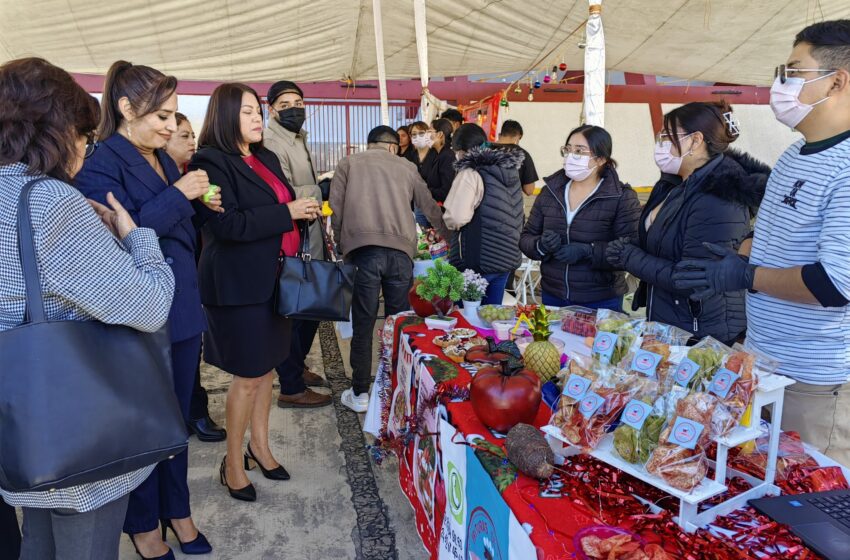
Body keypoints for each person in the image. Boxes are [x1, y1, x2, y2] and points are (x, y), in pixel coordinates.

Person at [0, 57, 174, 560]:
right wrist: (134, 237)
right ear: (55, 129)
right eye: (82, 134)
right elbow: (148, 305)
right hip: (77, 437)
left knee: (37, 541)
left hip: (22, 428)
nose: (83, 147)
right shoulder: (51, 202)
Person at [672, 20, 850, 464]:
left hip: (812, 382)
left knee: (803, 504)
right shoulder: (793, 156)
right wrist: (730, 263)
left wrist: (746, 275)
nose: (779, 85)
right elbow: (766, 232)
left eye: (793, 72)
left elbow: (834, 284)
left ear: (838, 80)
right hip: (761, 360)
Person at [75, 60, 216, 559]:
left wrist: (200, 202)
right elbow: (112, 236)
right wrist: (179, 196)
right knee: (144, 423)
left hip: (179, 304)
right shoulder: (101, 165)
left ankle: (177, 509)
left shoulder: (164, 158)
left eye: (174, 116)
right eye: (159, 116)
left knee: (175, 418)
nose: (169, 127)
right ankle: (141, 522)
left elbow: (165, 220)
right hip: (138, 310)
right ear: (125, 108)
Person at [189, 83, 322, 502]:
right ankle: (231, 463)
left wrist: (300, 213)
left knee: (267, 370)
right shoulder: (210, 161)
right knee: (247, 377)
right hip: (239, 285)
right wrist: (287, 212)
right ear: (225, 115)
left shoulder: (264, 156)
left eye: (256, 111)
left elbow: (277, 208)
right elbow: (227, 225)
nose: (256, 119)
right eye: (246, 112)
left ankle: (260, 447)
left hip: (274, 277)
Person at [604, 101, 769, 344]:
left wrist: (629, 257)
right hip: (669, 320)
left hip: (701, 333)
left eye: (667, 136)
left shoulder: (719, 198)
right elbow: (661, 244)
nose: (660, 143)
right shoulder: (675, 185)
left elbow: (693, 278)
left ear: (695, 141)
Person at [329, 126, 448, 412]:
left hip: (362, 252)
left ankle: (360, 393)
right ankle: (397, 389)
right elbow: (429, 205)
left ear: (369, 145)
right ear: (393, 146)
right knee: (399, 323)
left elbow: (336, 207)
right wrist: (448, 235)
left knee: (364, 322)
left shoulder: (348, 163)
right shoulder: (406, 166)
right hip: (400, 254)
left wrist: (342, 244)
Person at [263, 80, 332, 409]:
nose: (294, 109)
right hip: (292, 236)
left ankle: (297, 366)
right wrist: (320, 190)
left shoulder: (297, 138)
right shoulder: (272, 141)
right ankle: (290, 384)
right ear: (271, 109)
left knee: (312, 307)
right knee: (295, 308)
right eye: (286, 104)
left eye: (299, 102)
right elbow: (286, 193)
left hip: (309, 232)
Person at [519, 125, 640, 311]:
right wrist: (541, 245)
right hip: (553, 294)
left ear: (600, 159)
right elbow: (527, 237)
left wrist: (589, 251)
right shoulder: (550, 192)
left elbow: (631, 249)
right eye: (567, 149)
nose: (570, 156)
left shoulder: (621, 197)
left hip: (600, 299)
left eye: (579, 151)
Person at [165, 113, 227, 444]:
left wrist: (205, 206)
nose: (192, 142)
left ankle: (194, 411)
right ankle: (191, 413)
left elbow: (193, 229)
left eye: (192, 135)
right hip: (163, 280)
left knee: (191, 347)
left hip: (190, 274)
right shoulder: (159, 180)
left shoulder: (193, 176)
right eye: (183, 136)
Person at [444, 123, 525, 305]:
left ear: (460, 151)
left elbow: (456, 217)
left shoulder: (470, 173)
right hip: (506, 258)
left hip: (478, 261)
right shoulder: (508, 169)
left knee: (469, 318)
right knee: (491, 318)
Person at [498, 119, 539, 195]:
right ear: (518, 136)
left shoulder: (484, 151)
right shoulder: (523, 155)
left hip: (485, 203)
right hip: (511, 203)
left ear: (500, 134)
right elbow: (529, 190)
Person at [425, 118, 456, 204]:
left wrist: (424, 190)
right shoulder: (437, 153)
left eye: (429, 131)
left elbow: (445, 191)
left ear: (440, 134)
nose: (426, 135)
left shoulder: (448, 156)